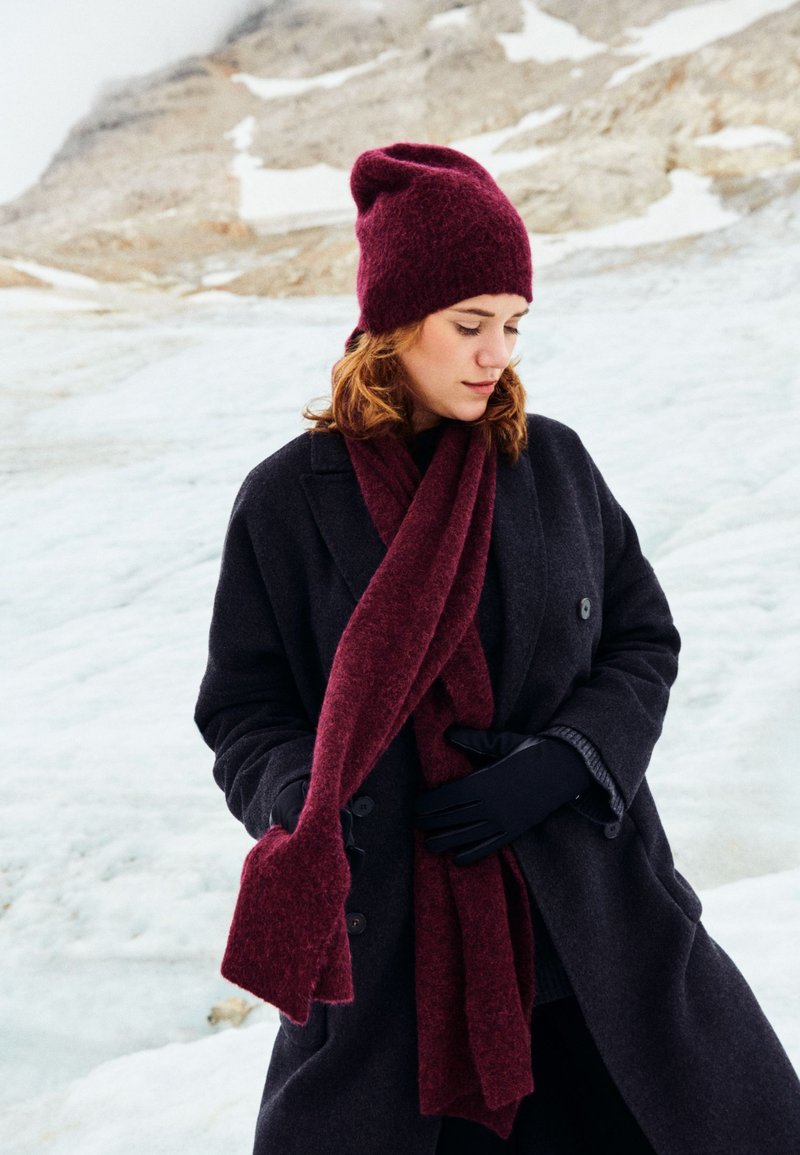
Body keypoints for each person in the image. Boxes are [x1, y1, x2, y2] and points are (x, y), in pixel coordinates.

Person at [194, 143, 800, 1154]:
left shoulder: (550, 464)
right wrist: (309, 802)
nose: (495, 354)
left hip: (594, 930)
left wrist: (568, 763)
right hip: (394, 951)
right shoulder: (287, 501)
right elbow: (244, 709)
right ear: (392, 325)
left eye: (512, 326)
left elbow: (642, 637)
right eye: (468, 325)